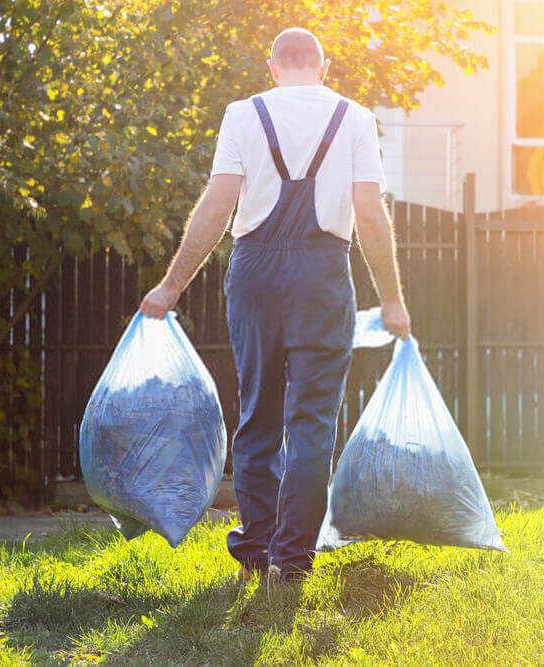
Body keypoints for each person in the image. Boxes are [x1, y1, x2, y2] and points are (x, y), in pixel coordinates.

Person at [139, 27, 410, 582]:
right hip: (322, 276)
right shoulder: (355, 118)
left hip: (255, 273)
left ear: (272, 67)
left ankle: (255, 556)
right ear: (324, 66)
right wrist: (394, 301)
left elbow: (217, 206)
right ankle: (292, 564)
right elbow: (370, 213)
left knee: (259, 416)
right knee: (312, 424)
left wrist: (170, 288)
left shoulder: (243, 114)